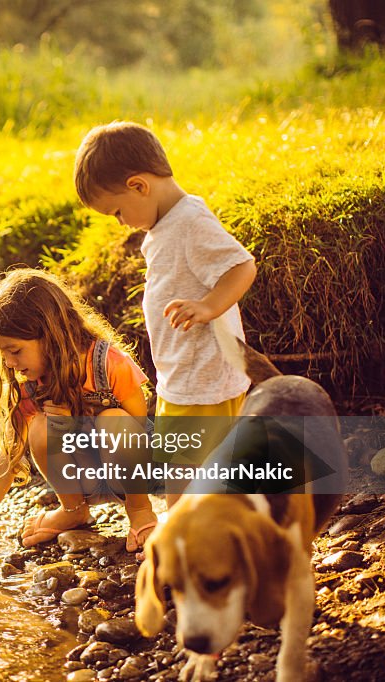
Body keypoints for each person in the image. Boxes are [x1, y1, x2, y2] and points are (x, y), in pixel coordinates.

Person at [73, 121, 257, 508]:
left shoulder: (190, 221)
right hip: (182, 374)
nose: (121, 222)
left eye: (118, 211)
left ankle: (192, 539)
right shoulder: (166, 226)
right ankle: (197, 533)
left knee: (191, 472)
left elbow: (242, 267)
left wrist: (208, 307)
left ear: (139, 185)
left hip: (205, 376)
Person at [0, 268, 158, 567]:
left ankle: (140, 512)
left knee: (114, 419)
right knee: (39, 426)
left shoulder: (108, 363)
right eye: (4, 354)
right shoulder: (30, 385)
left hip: (134, 476)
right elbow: (7, 461)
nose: (11, 364)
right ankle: (73, 509)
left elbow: (137, 430)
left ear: (51, 335)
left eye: (15, 351)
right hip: (86, 477)